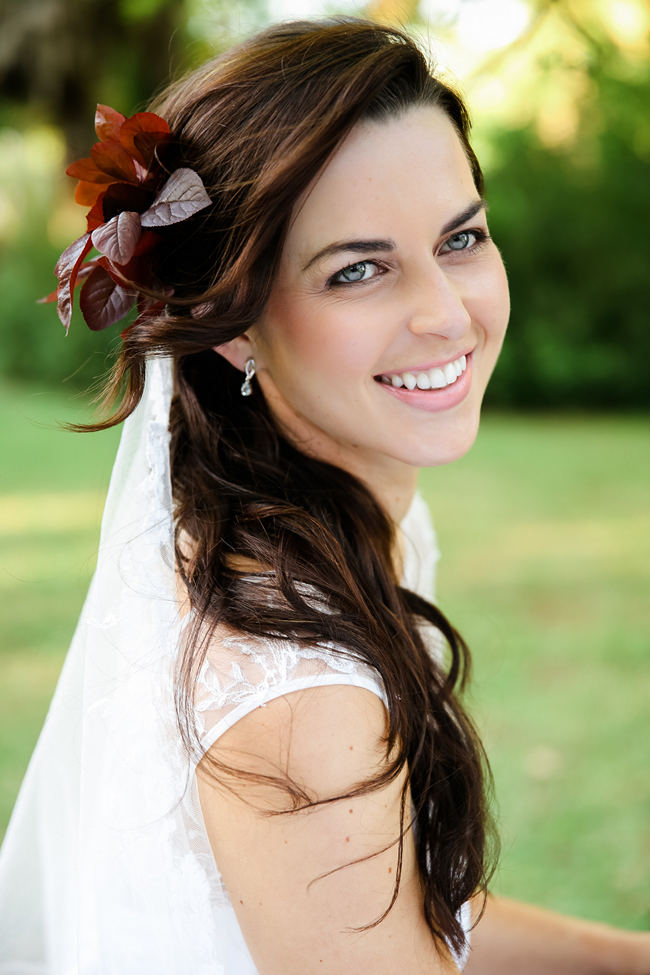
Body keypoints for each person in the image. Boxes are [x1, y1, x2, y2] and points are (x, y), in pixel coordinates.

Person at [0, 17, 647, 975]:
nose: (445, 311)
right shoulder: (298, 695)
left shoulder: (305, 530)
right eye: (357, 269)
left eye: (460, 237)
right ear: (234, 325)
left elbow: (403, 905)